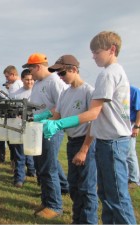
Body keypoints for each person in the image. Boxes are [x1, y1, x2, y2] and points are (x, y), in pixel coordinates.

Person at [41, 31, 137, 224]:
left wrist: (60, 124)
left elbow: (94, 114)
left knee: (116, 198)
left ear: (111, 49)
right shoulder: (114, 73)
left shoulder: (107, 75)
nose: (93, 56)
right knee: (107, 196)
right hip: (107, 141)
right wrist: (42, 118)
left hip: (112, 142)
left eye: (96, 51)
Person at [41, 54, 98, 224]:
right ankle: (77, 219)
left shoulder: (89, 91)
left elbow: (94, 123)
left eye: (62, 73)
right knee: (73, 186)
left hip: (85, 142)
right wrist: (42, 121)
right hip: (72, 142)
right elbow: (58, 114)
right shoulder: (65, 93)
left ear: (73, 69)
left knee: (87, 188)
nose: (60, 77)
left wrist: (84, 150)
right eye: (57, 74)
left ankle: (88, 221)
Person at [22, 52, 69, 219]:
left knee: (48, 168)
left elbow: (62, 106)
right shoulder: (38, 83)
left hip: (51, 130)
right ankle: (47, 201)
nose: (30, 73)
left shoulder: (54, 82)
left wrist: (45, 119)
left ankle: (55, 206)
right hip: (37, 129)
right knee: (41, 167)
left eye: (30, 69)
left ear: (38, 67)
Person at [11, 69, 36, 187]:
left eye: (31, 79)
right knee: (20, 153)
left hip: (34, 126)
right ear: (22, 80)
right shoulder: (16, 94)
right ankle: (19, 178)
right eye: (27, 79)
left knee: (33, 152)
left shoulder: (37, 92)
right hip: (20, 125)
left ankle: (32, 171)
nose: (30, 82)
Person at [127, 85, 140, 188]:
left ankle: (134, 179)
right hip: (122, 123)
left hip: (131, 123)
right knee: (123, 152)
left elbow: (139, 109)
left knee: (130, 152)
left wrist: (136, 126)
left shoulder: (134, 90)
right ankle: (127, 177)